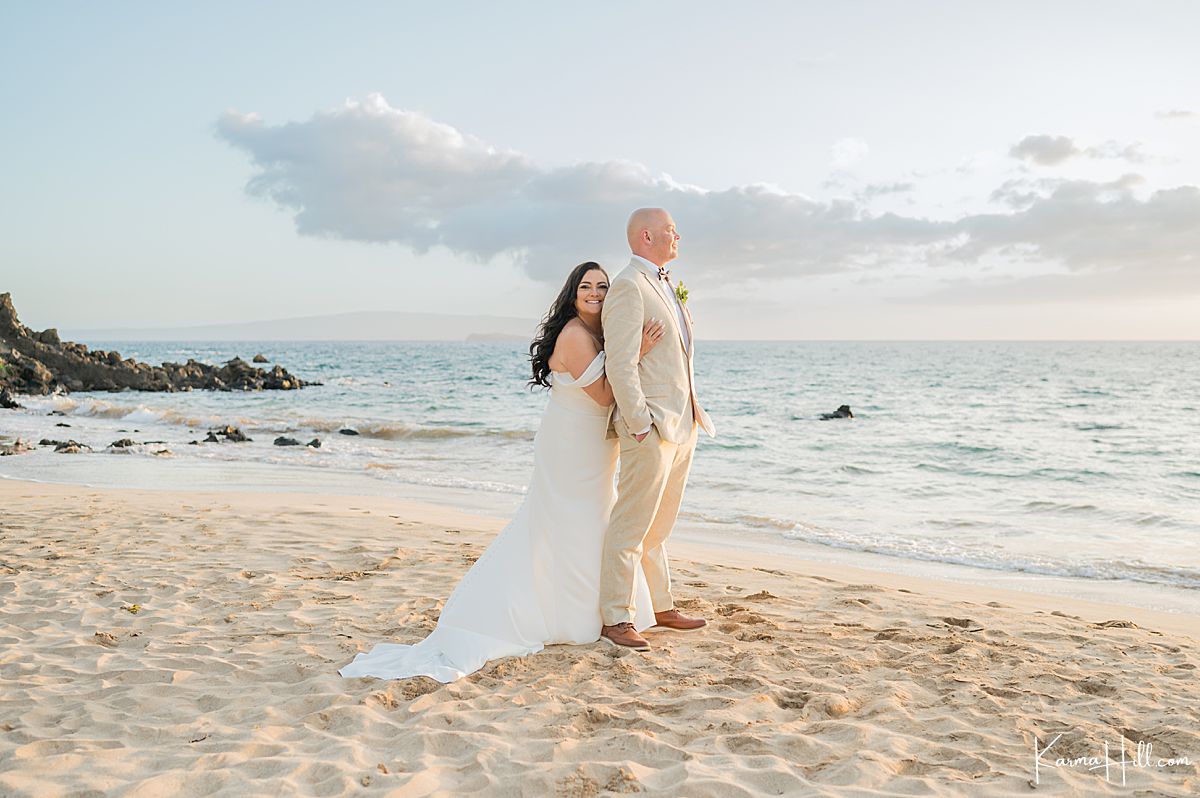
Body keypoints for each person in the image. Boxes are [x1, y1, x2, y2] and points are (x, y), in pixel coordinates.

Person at [338, 262, 666, 682]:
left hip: (595, 444)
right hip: (571, 443)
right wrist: (633, 354)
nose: (596, 292)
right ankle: (556, 612)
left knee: (590, 520)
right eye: (586, 286)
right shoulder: (574, 335)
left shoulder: (600, 333)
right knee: (562, 521)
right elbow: (604, 396)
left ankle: (591, 608)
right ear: (572, 293)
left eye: (603, 286)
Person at [598, 208, 716, 651]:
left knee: (660, 526)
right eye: (670, 230)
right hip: (651, 427)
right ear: (646, 236)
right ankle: (616, 617)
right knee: (630, 525)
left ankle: (661, 606)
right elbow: (620, 363)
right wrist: (640, 424)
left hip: (684, 423)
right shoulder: (629, 286)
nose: (677, 235)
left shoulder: (665, 284)